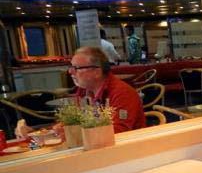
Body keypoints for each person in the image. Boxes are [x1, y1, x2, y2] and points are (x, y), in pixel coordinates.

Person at [15, 47, 145, 138]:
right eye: (71, 67)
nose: (70, 72)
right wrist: (36, 132)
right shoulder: (84, 91)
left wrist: (73, 132)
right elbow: (74, 121)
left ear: (97, 71)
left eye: (76, 68)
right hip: (96, 149)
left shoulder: (122, 93)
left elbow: (119, 132)